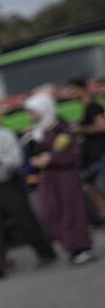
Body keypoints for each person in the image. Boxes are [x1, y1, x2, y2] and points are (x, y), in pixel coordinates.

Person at [0, 106, 57, 281]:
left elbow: (17, 160)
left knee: (25, 221)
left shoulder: (4, 135)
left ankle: (46, 252)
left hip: (7, 182)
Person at [24, 92, 96, 265]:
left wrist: (52, 159)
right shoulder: (36, 132)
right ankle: (69, 245)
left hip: (66, 176)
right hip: (48, 179)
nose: (30, 116)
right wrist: (35, 161)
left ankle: (80, 248)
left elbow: (72, 153)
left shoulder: (60, 129)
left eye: (33, 111)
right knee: (49, 213)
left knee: (71, 212)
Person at [67, 77, 105, 223]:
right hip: (93, 155)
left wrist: (80, 129)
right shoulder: (86, 107)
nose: (69, 93)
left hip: (100, 153)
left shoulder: (92, 106)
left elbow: (102, 126)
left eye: (72, 89)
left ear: (82, 89)